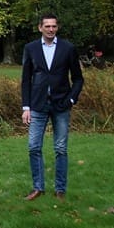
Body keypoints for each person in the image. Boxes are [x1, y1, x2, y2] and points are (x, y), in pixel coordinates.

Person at [21, 13, 84, 201]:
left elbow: (78, 79)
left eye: (54, 26)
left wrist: (71, 100)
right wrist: (26, 107)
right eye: (47, 26)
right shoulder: (31, 48)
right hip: (37, 105)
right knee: (33, 147)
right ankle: (38, 188)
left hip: (61, 104)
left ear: (57, 28)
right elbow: (26, 79)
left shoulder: (68, 48)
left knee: (61, 148)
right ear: (40, 27)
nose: (50, 29)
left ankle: (60, 190)